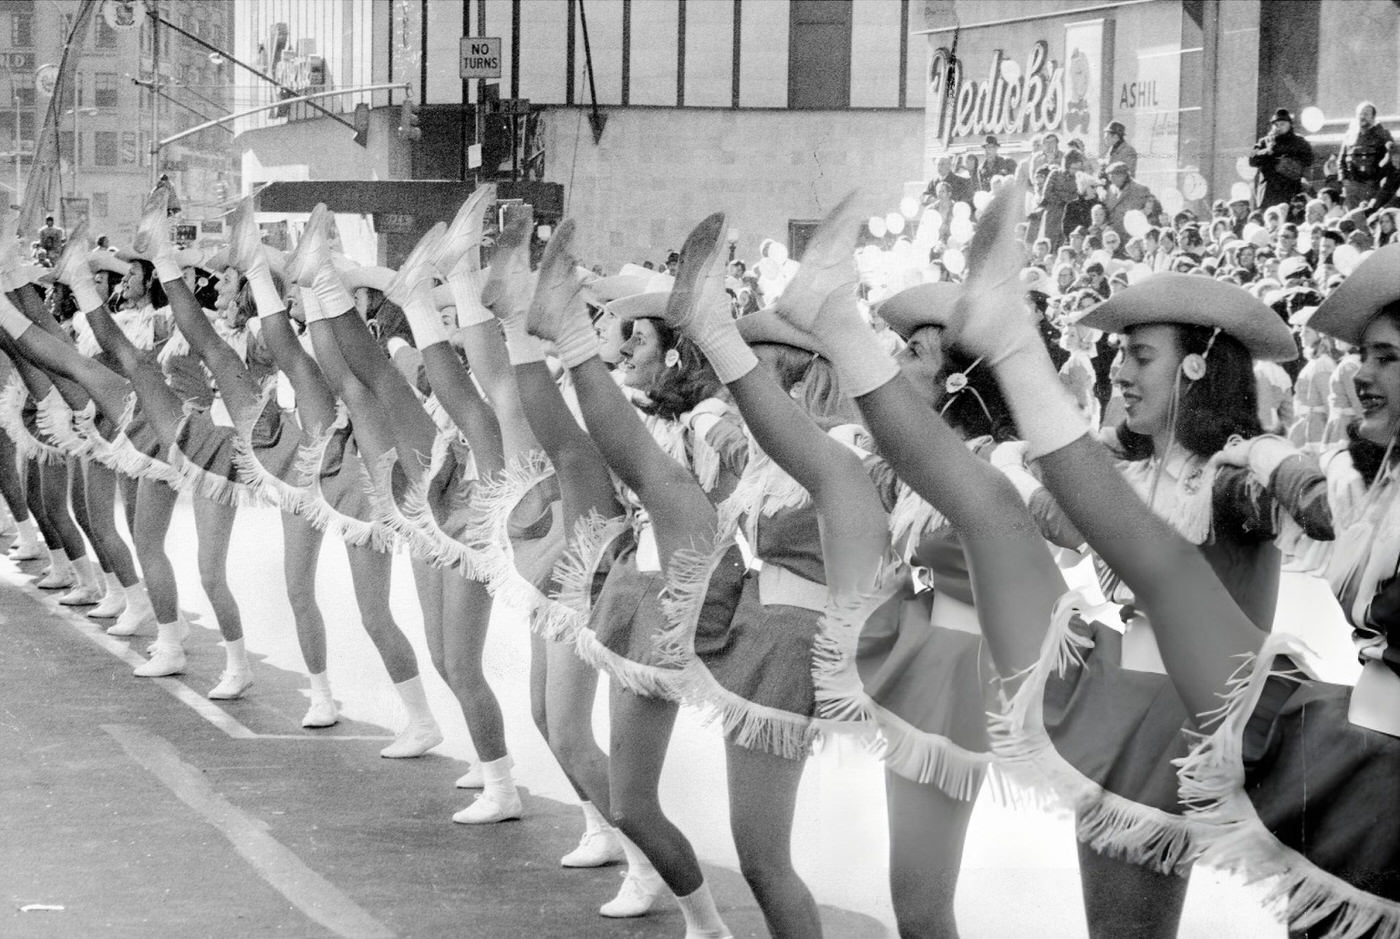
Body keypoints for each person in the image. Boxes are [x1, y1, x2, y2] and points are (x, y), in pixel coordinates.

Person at [1250, 108, 1314, 212]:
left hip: (1290, 190)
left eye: (1282, 124)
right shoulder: (1264, 141)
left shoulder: (1299, 142)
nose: (1279, 127)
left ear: (1290, 124)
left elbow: (1308, 160)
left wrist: (1288, 158)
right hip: (1268, 193)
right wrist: (1268, 150)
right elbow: (1252, 160)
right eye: (1276, 124)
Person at [1338, 100, 1394, 210]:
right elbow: (1341, 160)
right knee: (1353, 219)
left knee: (1367, 218)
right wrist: (1344, 180)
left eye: (1366, 114)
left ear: (1373, 117)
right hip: (1352, 187)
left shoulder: (1382, 135)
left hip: (1371, 186)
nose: (1362, 116)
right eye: (1360, 113)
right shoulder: (1350, 135)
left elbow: (1390, 158)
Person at [1102, 162, 1152, 240]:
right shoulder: (1111, 190)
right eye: (1110, 177)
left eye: (1114, 177)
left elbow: (1150, 213)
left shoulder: (1140, 189)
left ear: (1124, 176)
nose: (1111, 180)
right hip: (1114, 237)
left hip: (1133, 236)